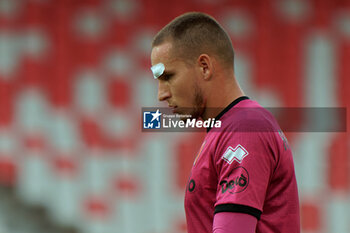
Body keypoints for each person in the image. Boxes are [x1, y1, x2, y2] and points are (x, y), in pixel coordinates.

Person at [150, 12, 300, 233]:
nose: (161, 95)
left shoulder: (245, 129)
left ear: (204, 67)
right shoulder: (228, 128)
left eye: (168, 77)